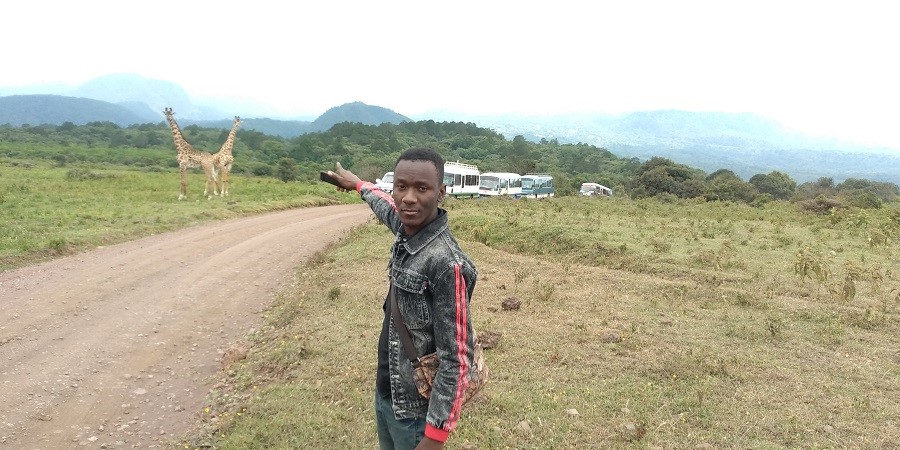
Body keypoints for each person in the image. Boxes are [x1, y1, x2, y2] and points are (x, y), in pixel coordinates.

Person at [326, 148, 478, 450]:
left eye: (422, 188)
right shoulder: (407, 228)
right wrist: (359, 185)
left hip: (416, 415)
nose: (409, 197)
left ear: (441, 193)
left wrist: (435, 437)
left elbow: (457, 360)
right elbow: (384, 206)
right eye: (401, 186)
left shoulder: (448, 264)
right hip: (388, 394)